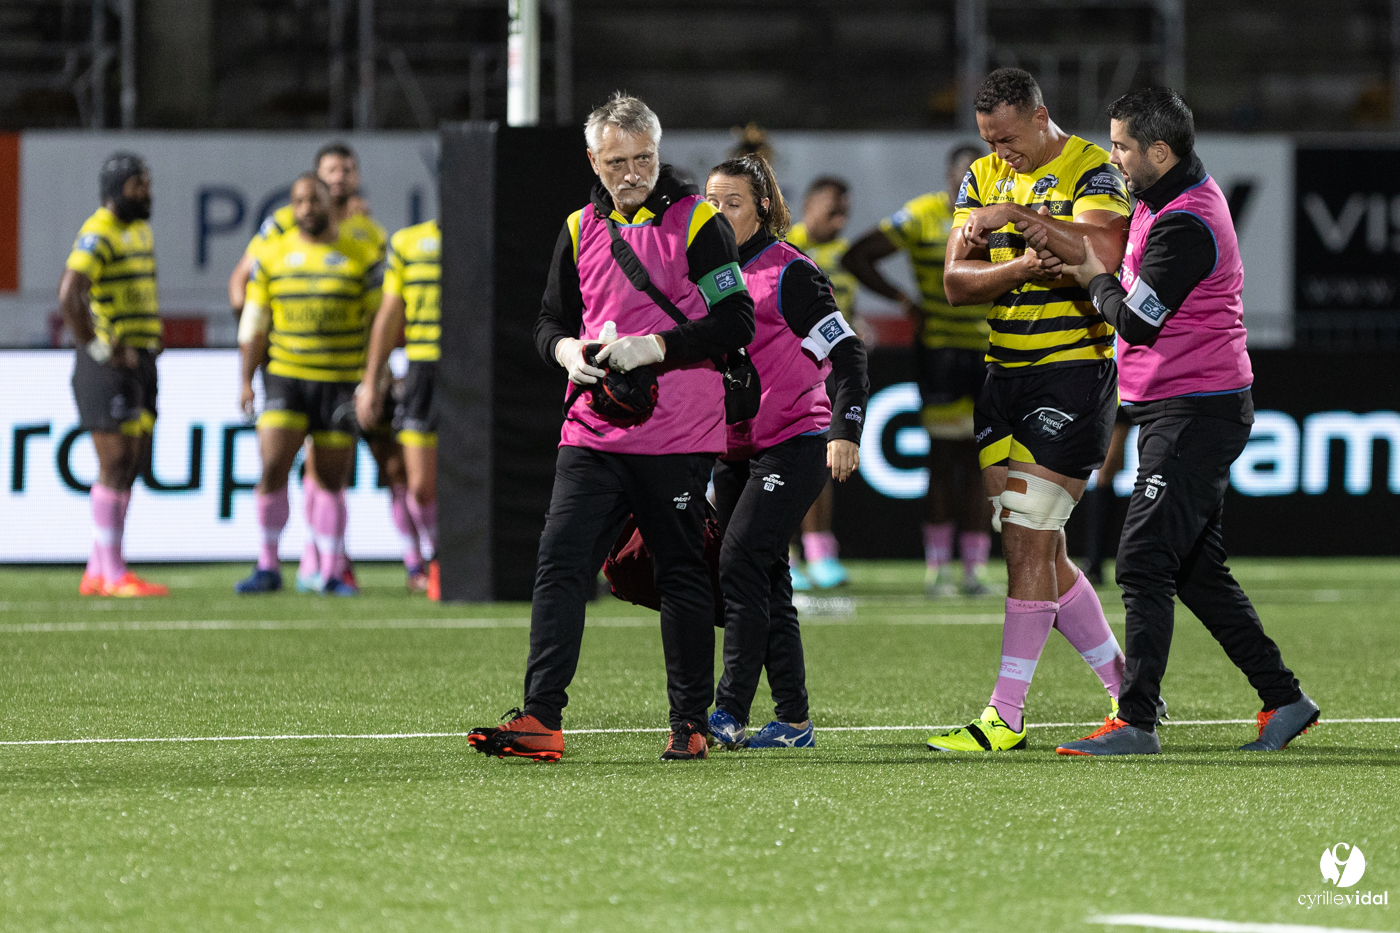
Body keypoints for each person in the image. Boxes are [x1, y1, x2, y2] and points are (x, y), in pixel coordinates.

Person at [467, 93, 755, 763]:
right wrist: (567, 353)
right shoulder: (576, 228)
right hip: (593, 429)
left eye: (645, 158)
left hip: (677, 432)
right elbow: (547, 322)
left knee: (681, 572)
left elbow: (735, 320)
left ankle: (689, 721)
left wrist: (653, 347)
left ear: (659, 150)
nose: (634, 172)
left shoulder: (698, 223)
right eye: (619, 161)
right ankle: (542, 716)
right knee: (560, 564)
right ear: (593, 161)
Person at [1053, 88, 1316, 756]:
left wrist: (1090, 276)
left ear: (1159, 151)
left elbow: (1138, 322)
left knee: (1141, 558)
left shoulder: (1184, 223)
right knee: (1196, 570)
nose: (1113, 157)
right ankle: (1285, 698)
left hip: (1197, 412)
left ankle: (1135, 720)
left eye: (1121, 146)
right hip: (1184, 407)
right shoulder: (1162, 200)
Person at [926, 68, 1133, 752]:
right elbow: (956, 284)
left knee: (1025, 541)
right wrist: (1017, 266)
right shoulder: (980, 175)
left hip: (1070, 375)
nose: (999, 153)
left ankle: (1004, 715)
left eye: (1008, 138)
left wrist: (1016, 221)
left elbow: (1098, 255)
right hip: (1002, 378)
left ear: (1041, 117)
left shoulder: (1094, 171)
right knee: (1040, 546)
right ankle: (1129, 690)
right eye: (989, 140)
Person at [703, 155, 870, 751]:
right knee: (768, 576)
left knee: (740, 562)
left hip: (794, 441)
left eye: (732, 204)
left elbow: (848, 355)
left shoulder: (790, 274)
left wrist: (847, 428)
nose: (717, 214)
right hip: (732, 449)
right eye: (710, 203)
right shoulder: (704, 275)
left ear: (763, 208)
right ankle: (794, 721)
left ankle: (726, 711)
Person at [228, 143, 426, 592]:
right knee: (281, 465)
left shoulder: (369, 237)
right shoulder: (278, 232)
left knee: (372, 466)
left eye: (348, 169)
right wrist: (253, 360)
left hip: (349, 374)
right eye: (331, 170)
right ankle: (298, 562)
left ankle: (382, 562)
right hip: (289, 369)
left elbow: (385, 310)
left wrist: (378, 371)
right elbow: (243, 289)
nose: (339, 178)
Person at [844, 144, 995, 598]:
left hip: (996, 355)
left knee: (982, 464)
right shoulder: (923, 215)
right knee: (943, 462)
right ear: (949, 178)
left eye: (978, 176)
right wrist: (905, 302)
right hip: (943, 354)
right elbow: (858, 255)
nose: (969, 185)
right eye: (962, 177)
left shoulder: (1006, 217)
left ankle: (972, 572)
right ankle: (938, 573)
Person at [60, 152, 169, 598]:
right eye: (139, 185)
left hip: (140, 361)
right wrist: (100, 346)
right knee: (115, 464)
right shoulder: (99, 232)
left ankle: (98, 569)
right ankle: (112, 573)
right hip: (109, 366)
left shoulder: (138, 230)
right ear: (117, 188)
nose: (147, 193)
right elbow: (70, 294)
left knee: (131, 465)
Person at [357, 218, 441, 596]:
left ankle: (443, 564)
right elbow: (389, 314)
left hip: (476, 370)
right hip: (423, 371)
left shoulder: (485, 235)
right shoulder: (408, 242)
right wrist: (372, 381)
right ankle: (433, 558)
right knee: (420, 486)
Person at [786, 177, 858, 589]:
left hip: (830, 375)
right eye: (832, 209)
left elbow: (846, 308)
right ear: (809, 206)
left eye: (844, 210)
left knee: (821, 461)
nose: (840, 218)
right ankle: (790, 555)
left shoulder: (845, 255)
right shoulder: (785, 248)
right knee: (786, 462)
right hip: (792, 372)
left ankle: (817, 553)